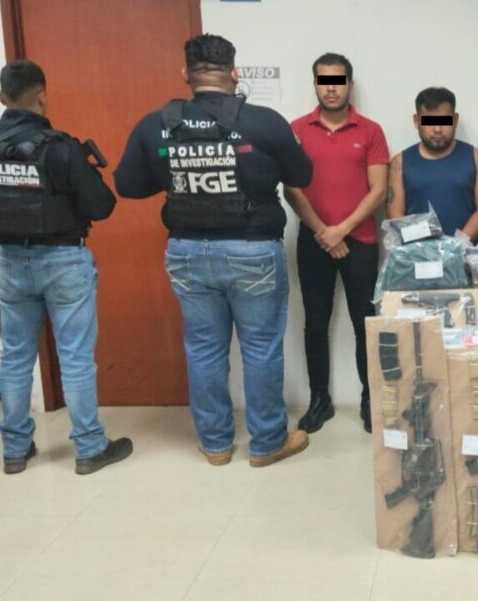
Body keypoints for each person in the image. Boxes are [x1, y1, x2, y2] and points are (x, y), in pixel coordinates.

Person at [114, 34, 313, 467]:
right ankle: (267, 443)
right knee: (260, 348)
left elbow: (128, 185)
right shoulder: (264, 121)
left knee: (204, 348)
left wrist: (179, 172)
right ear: (234, 73)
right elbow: (302, 174)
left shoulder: (155, 124)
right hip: (252, 250)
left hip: (187, 251)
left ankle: (216, 445)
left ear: (186, 73)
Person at [0, 60, 132, 475]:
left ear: (2, 97)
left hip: (11, 261)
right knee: (76, 358)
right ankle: (90, 448)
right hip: (64, 261)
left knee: (16, 357)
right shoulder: (62, 148)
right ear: (43, 96)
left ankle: (15, 450)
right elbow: (102, 207)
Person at [287, 52, 388, 434]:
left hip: (360, 241)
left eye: (338, 81)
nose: (331, 88)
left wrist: (341, 230)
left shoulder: (371, 131)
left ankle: (369, 400)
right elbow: (291, 189)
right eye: (324, 81)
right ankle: (320, 401)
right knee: (315, 322)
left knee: (365, 322)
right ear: (315, 84)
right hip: (314, 241)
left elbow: (379, 191)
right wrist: (324, 232)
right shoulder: (297, 129)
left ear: (349, 84)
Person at [386, 87, 478, 240]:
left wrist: (456, 245)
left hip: (465, 251)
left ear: (455, 120)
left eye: (444, 121)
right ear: (416, 121)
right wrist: (421, 249)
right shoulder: (399, 162)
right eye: (429, 122)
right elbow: (395, 215)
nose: (437, 129)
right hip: (417, 252)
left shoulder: (476, 157)